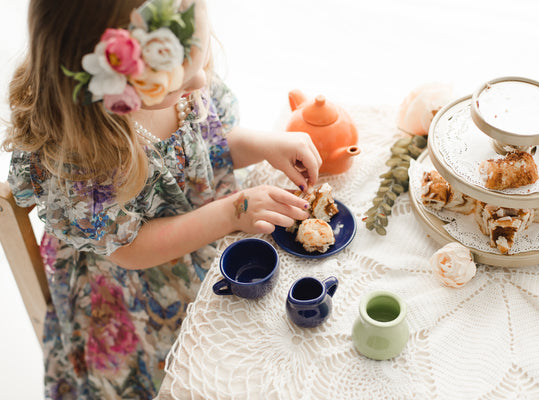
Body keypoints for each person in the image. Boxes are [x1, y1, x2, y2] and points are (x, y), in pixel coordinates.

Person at [2, 0, 321, 398]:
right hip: (141, 297)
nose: (200, 84)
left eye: (201, 60)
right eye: (179, 83)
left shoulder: (180, 77)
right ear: (110, 86)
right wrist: (231, 212)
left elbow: (206, 150)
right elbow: (130, 249)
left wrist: (265, 144)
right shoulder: (80, 153)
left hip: (206, 241)